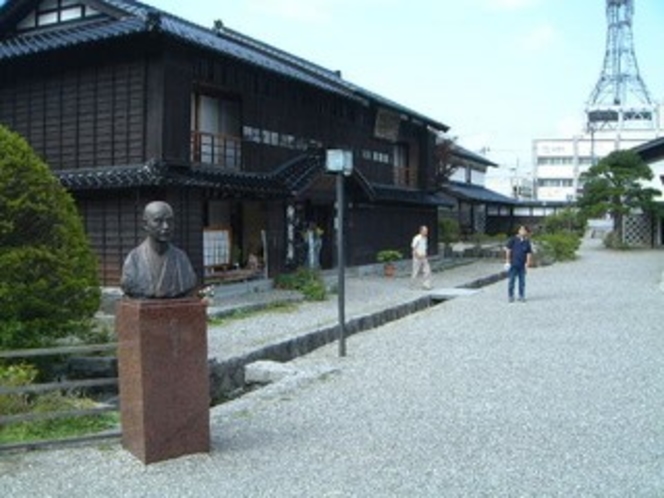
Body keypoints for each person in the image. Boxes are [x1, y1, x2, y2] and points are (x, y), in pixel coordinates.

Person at [121, 201, 198, 299]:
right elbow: (128, 284)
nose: (166, 226)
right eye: (158, 221)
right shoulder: (134, 259)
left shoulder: (181, 258)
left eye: (169, 221)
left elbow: (189, 282)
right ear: (145, 224)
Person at [504, 225, 533, 303]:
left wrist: (527, 263)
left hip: (522, 265)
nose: (522, 231)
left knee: (522, 282)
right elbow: (508, 250)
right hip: (513, 264)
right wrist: (507, 261)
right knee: (511, 280)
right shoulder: (513, 240)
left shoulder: (527, 242)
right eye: (521, 229)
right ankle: (511, 295)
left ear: (526, 232)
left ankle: (521, 295)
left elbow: (529, 253)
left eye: (524, 230)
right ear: (518, 231)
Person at [411, 225, 432, 290]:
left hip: (423, 256)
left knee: (427, 270)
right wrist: (417, 255)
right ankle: (412, 284)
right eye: (424, 231)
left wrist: (425, 255)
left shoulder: (425, 238)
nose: (426, 232)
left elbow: (424, 247)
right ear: (421, 231)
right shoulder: (417, 238)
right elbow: (414, 248)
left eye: (426, 231)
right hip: (417, 256)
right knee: (415, 271)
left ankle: (426, 285)